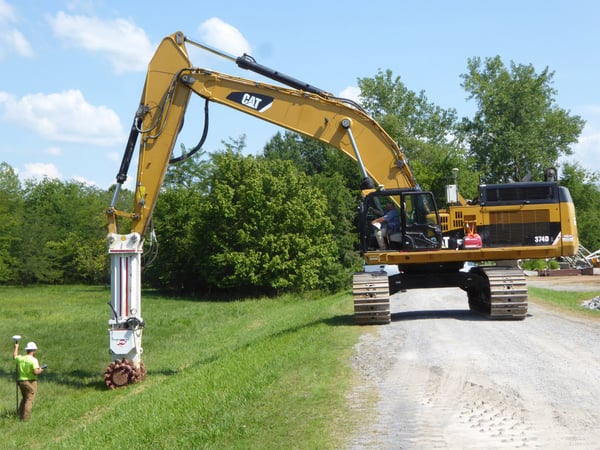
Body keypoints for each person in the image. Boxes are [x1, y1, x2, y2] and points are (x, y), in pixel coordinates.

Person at [13, 341, 45, 421]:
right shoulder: (33, 360)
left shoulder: (21, 358)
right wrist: (41, 369)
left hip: (21, 381)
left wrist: (16, 347)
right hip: (30, 382)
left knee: (24, 398)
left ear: (27, 350)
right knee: (29, 399)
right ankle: (25, 419)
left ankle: (20, 414)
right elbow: (35, 372)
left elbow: (15, 356)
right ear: (34, 351)